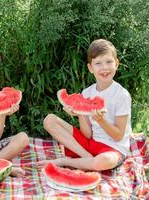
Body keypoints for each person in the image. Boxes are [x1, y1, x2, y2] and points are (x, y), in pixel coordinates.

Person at [38, 39, 131, 171]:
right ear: (90, 68)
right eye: (98, 63)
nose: (104, 67)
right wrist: (80, 114)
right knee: (49, 120)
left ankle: (66, 161)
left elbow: (118, 136)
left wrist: (101, 121)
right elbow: (87, 134)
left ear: (116, 64)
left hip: (113, 148)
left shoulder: (122, 95)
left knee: (104, 161)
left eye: (109, 62)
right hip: (89, 144)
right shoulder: (87, 93)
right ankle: (86, 157)